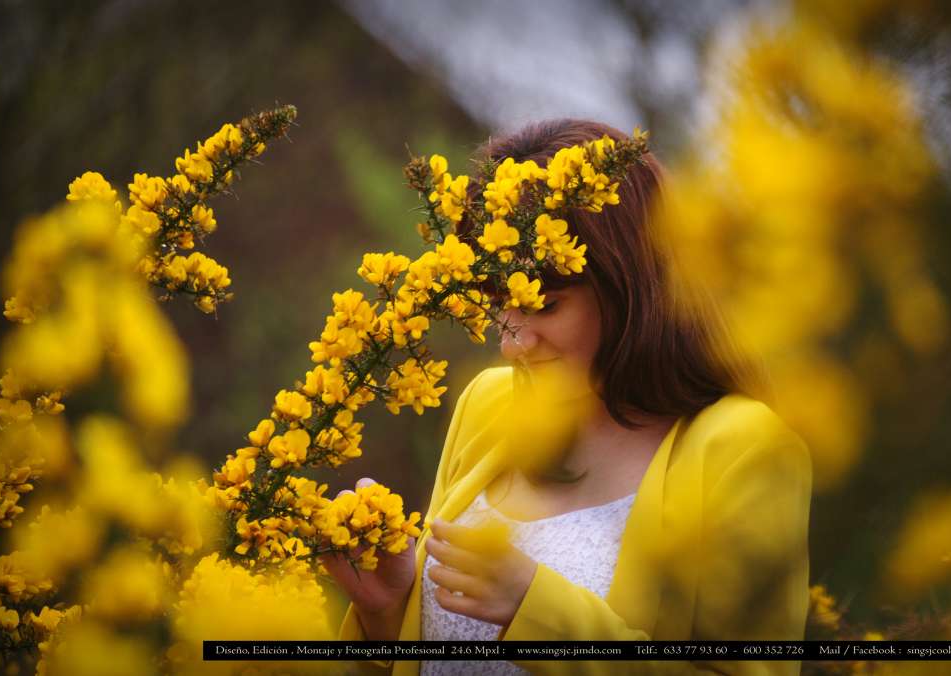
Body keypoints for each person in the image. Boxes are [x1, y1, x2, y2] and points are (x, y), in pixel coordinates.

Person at [322, 119, 812, 676]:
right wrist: (389, 615)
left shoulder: (745, 448)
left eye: (544, 305)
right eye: (498, 306)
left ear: (629, 284)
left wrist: (537, 611)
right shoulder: (490, 404)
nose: (512, 345)